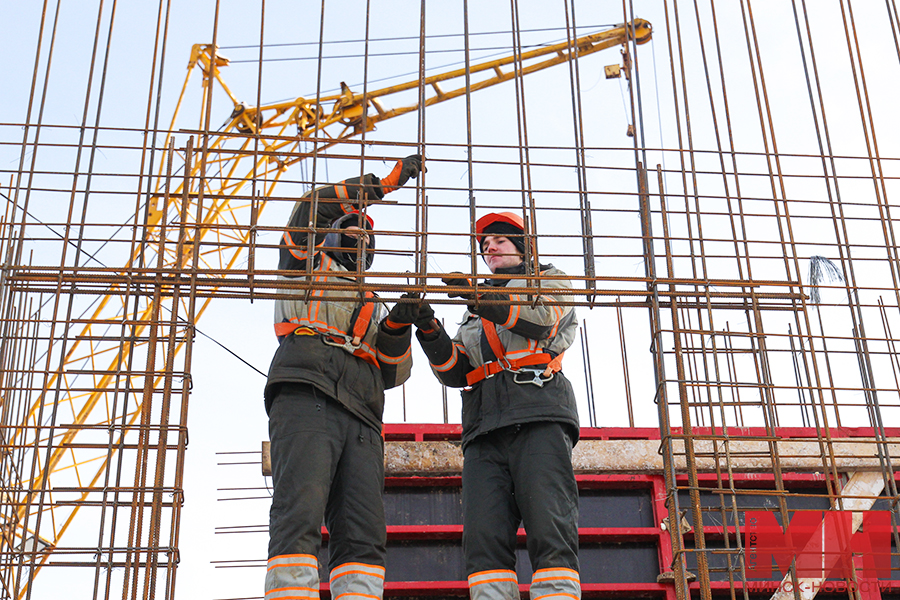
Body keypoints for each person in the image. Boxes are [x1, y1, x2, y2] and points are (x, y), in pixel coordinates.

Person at [264, 156, 423, 600]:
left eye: (365, 233)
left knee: (362, 529)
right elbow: (311, 207)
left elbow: (394, 372)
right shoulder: (302, 268)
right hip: (307, 392)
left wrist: (399, 326)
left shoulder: (373, 302)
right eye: (351, 227)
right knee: (300, 510)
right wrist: (382, 185)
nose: (359, 234)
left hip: (363, 415)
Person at [403, 211, 581, 600]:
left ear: (522, 247)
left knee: (549, 525)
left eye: (499, 240)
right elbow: (456, 372)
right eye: (485, 246)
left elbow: (538, 322)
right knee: (483, 536)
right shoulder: (474, 309)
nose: (489, 248)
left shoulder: (547, 281)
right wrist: (429, 329)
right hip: (484, 428)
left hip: (538, 415)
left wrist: (479, 298)